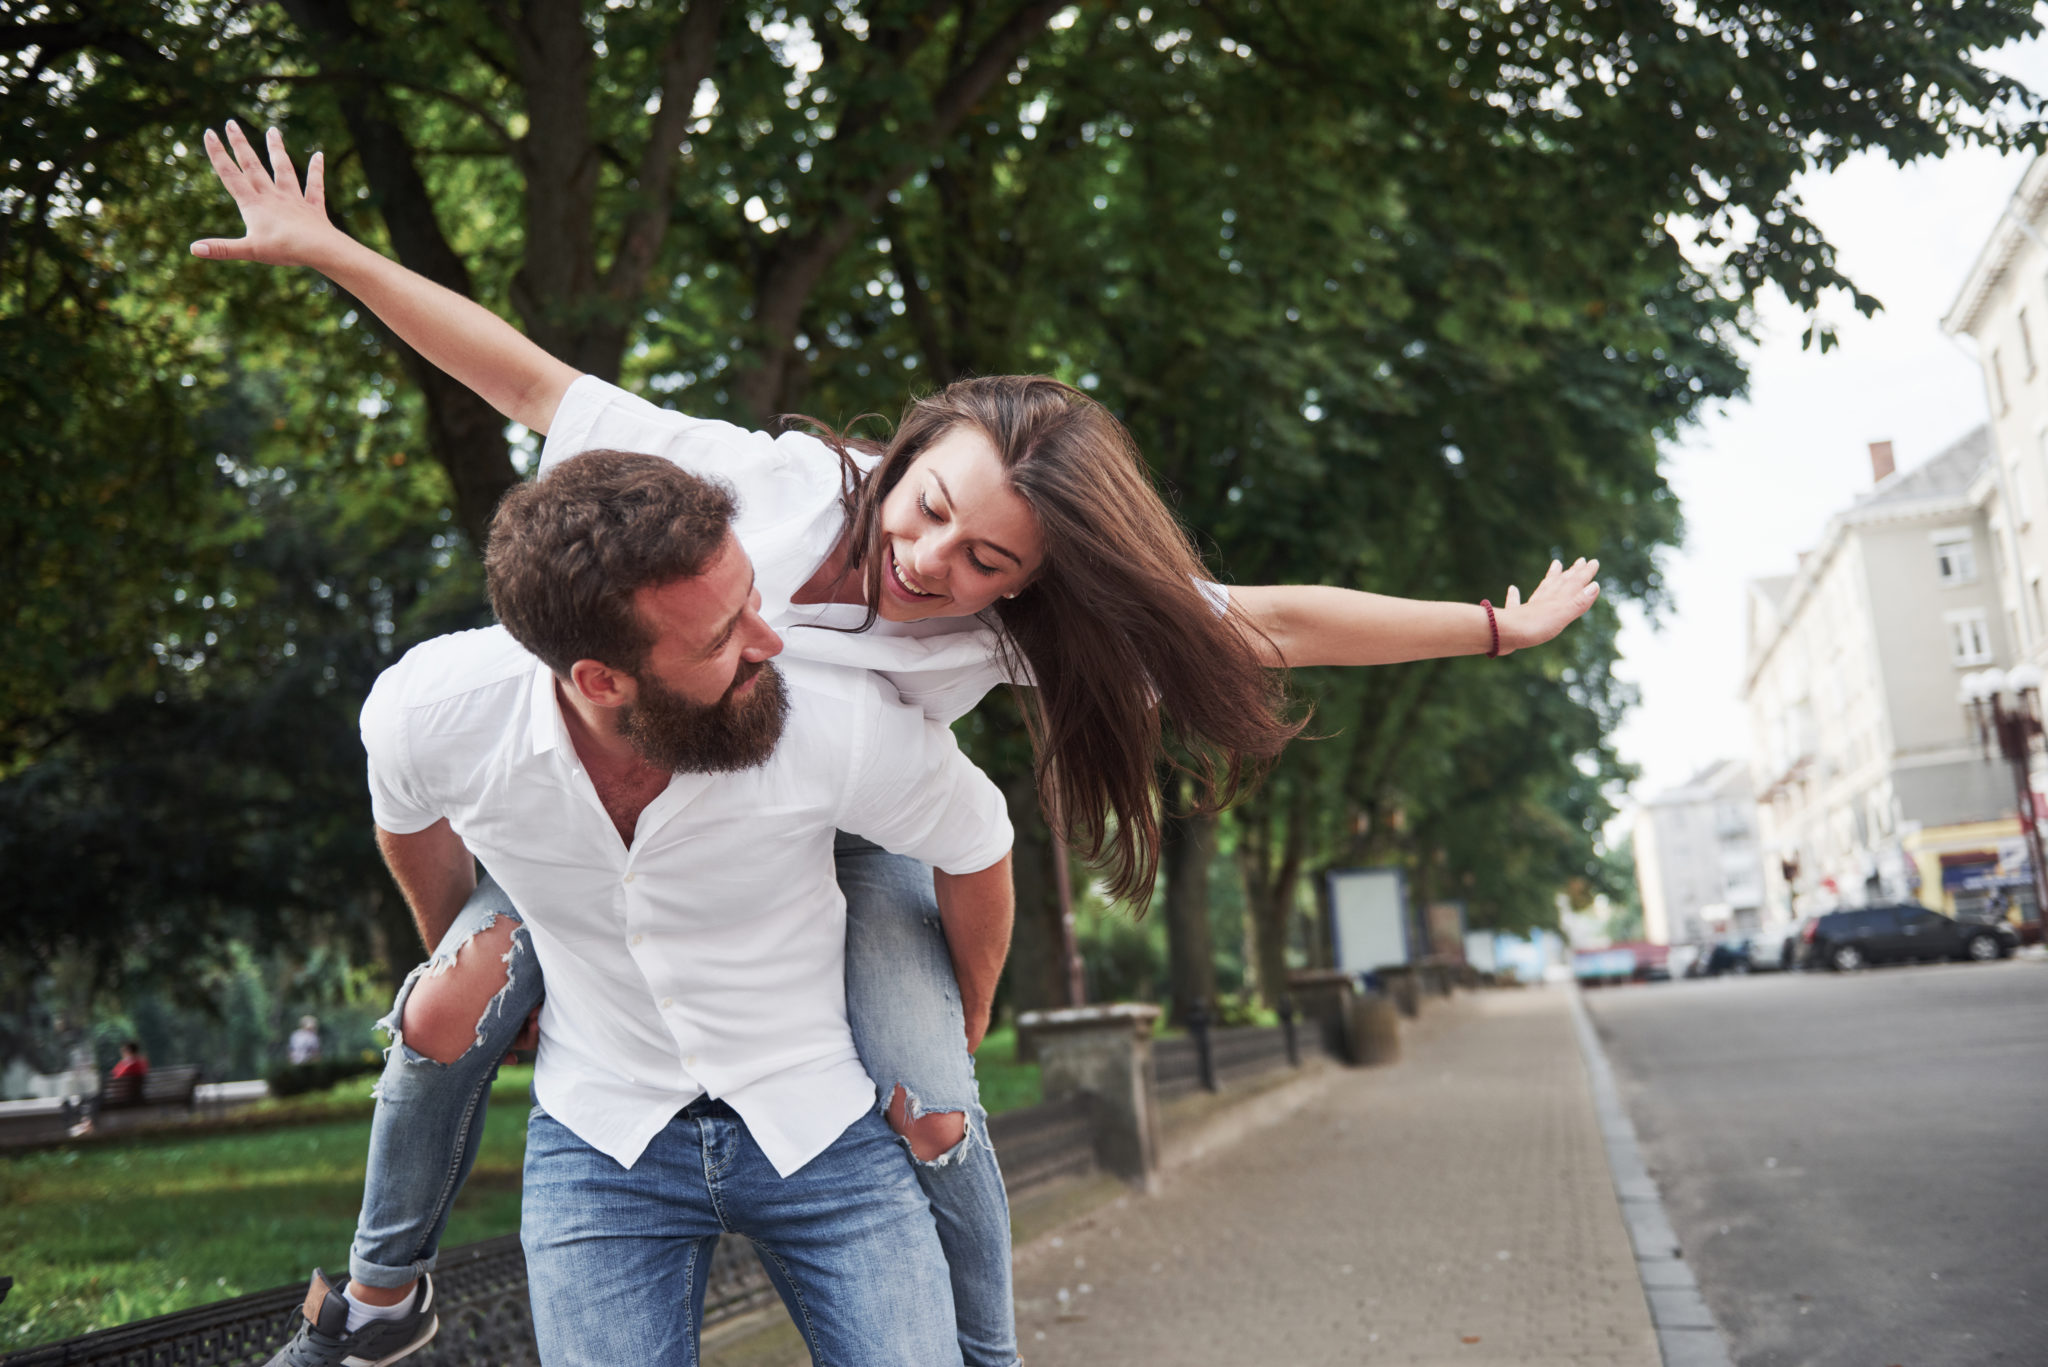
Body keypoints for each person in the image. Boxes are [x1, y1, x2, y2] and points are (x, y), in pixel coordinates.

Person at [194, 123, 1603, 1367]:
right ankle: (384, 1294)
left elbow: (1270, 620)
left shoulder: (1004, 633)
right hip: (616, 801)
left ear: (1029, 580)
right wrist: (333, 255)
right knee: (443, 1002)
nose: (929, 558)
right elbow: (528, 377)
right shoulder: (761, 482)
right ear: (909, 448)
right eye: (926, 506)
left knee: (931, 1075)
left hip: (851, 838)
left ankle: (984, 1345)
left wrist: (1491, 628)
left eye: (986, 558)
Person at [280, 447, 1015, 1367]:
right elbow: (408, 819)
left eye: (751, 596)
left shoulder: (830, 721)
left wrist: (968, 1004)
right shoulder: (435, 713)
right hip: (603, 1137)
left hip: (823, 1122)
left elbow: (978, 840)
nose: (770, 636)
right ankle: (376, 1301)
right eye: (720, 637)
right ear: (599, 680)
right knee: (439, 1009)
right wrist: (482, 962)